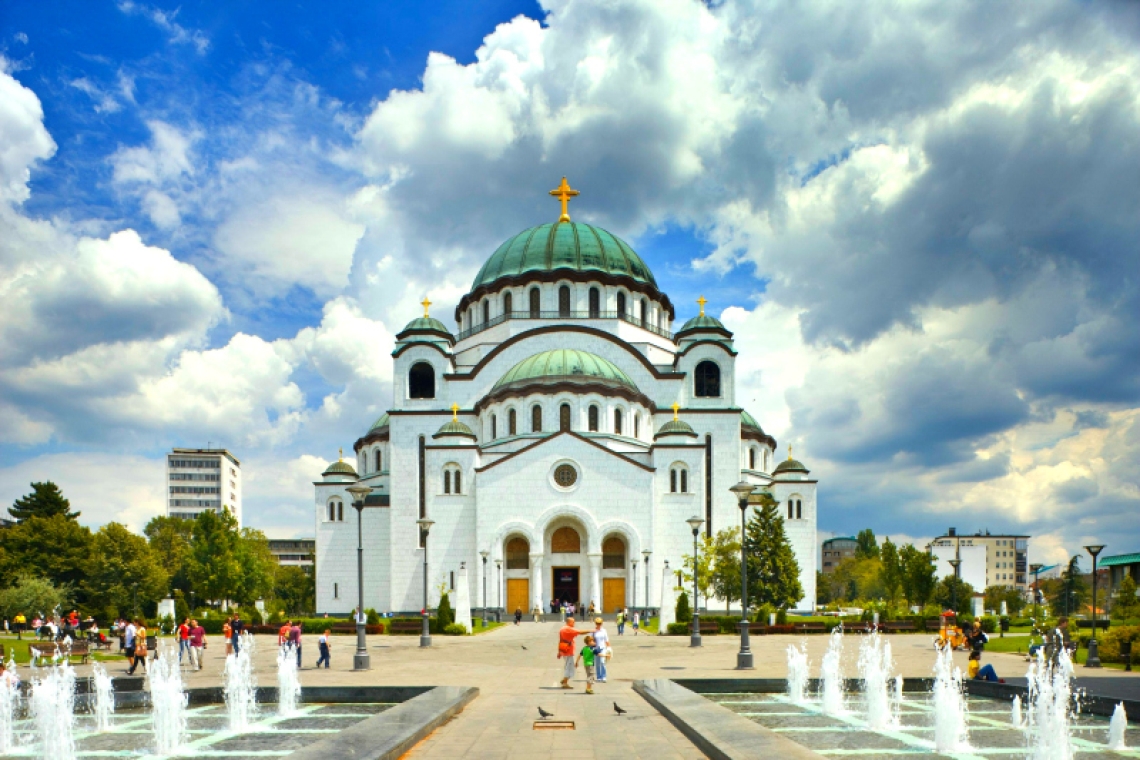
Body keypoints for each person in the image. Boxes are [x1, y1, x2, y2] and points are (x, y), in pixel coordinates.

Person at [557, 616, 592, 689]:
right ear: (569, 622)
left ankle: (564, 680)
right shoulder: (568, 629)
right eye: (573, 622)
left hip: (564, 649)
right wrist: (590, 630)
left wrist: (559, 651)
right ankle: (565, 682)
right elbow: (580, 632)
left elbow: (560, 640)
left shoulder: (562, 629)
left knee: (568, 666)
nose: (574, 623)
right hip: (568, 651)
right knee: (569, 667)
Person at [591, 617, 610, 683]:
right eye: (597, 623)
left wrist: (609, 648)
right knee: (597, 663)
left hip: (603, 648)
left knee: (602, 662)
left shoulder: (604, 630)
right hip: (596, 648)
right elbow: (591, 640)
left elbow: (606, 640)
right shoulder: (593, 631)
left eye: (599, 623)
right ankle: (599, 676)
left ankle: (604, 676)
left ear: (601, 623)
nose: (598, 624)